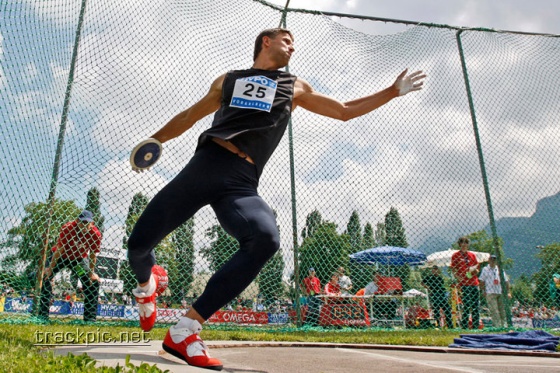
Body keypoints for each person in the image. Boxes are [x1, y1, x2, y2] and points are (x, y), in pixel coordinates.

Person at [126, 28, 426, 370]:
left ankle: (185, 330)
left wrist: (391, 91)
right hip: (205, 166)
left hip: (242, 182)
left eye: (295, 43)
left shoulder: (294, 86)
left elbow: (344, 110)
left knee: (265, 238)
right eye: (287, 41)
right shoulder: (229, 80)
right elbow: (189, 117)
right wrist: (155, 141)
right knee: (137, 246)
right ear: (265, 42)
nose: (293, 47)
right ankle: (145, 285)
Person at [39, 210, 101, 322]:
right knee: (45, 277)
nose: (84, 225)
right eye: (82, 222)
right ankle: (42, 316)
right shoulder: (68, 228)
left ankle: (89, 319)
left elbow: (92, 254)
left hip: (78, 260)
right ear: (77, 221)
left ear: (92, 223)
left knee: (92, 282)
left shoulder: (95, 234)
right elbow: (59, 250)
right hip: (61, 257)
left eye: (87, 223)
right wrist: (50, 269)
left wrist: (91, 273)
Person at [450, 236, 480, 329]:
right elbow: (453, 269)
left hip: (474, 282)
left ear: (468, 244)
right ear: (459, 244)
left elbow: (477, 268)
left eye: (466, 243)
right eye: (462, 242)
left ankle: (475, 325)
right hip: (464, 283)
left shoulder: (472, 255)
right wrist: (459, 278)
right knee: (466, 305)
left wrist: (475, 271)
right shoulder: (456, 255)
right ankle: (464, 325)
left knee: (475, 305)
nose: (464, 244)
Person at [479, 255, 511, 328]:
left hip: (500, 292)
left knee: (502, 310)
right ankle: (497, 326)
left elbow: (506, 281)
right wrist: (483, 290)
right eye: (491, 259)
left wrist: (508, 292)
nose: (493, 261)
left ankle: (504, 325)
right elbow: (481, 281)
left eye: (494, 260)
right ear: (489, 260)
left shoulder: (500, 269)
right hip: (490, 292)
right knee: (494, 310)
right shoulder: (485, 269)